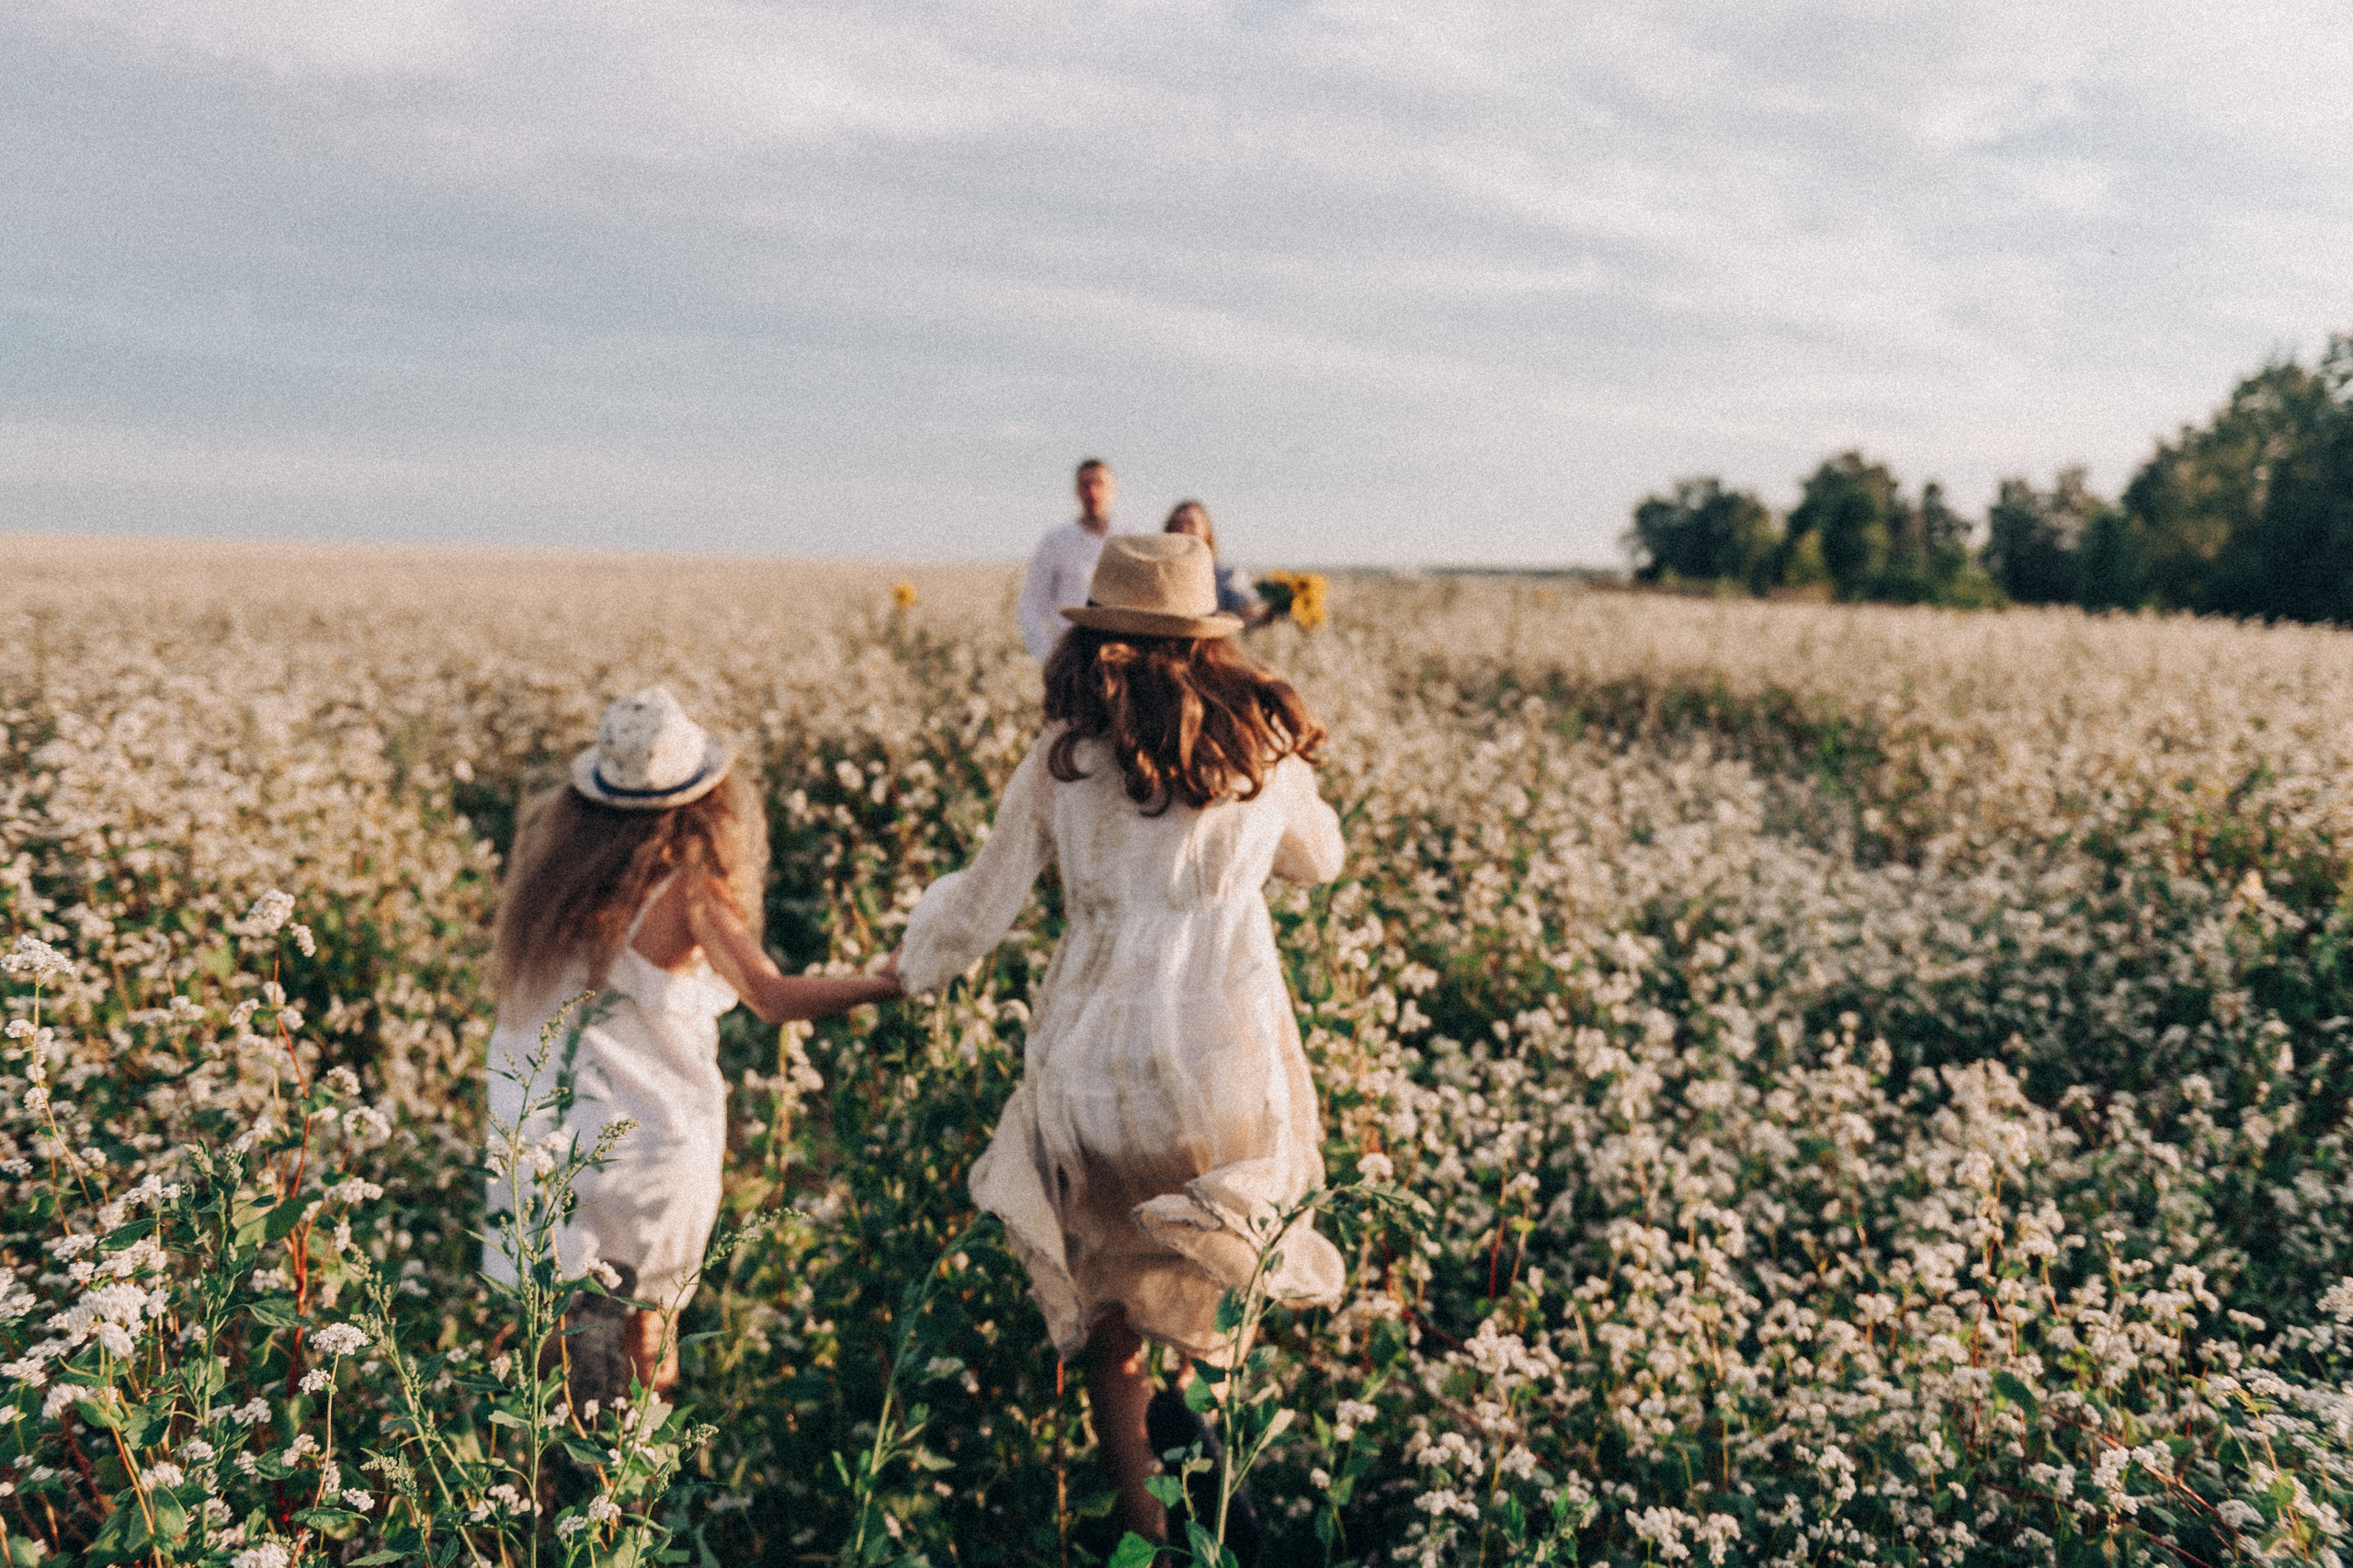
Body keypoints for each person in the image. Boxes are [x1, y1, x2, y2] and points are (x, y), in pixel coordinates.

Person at [894, 534, 1346, 1550]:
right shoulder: (1259, 747)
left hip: (1094, 1072)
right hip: (1223, 1061)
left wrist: (910, 966)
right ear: (1211, 640)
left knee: (1106, 1313)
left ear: (1093, 638)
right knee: (1218, 1254)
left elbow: (981, 901)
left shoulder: (1067, 754)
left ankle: (1143, 1523)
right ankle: (1206, 1484)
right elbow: (1321, 862)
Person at [485, 687, 900, 1400]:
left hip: (550, 1136)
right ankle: (633, 1483)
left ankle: (556, 1477)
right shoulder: (689, 891)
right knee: (650, 1330)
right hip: (650, 1144)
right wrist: (888, 982)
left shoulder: (554, 883)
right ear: (700, 795)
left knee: (557, 1337)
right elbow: (770, 998)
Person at [1017, 458, 1121, 661]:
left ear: (1114, 490)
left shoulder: (1127, 539)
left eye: (1099, 484)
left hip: (1118, 662)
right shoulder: (1057, 540)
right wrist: (1048, 659)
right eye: (1085, 485)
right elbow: (1031, 605)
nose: (1092, 492)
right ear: (1077, 491)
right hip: (1071, 658)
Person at [1163, 499, 1270, 626]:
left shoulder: (1225, 575)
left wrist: (1263, 612)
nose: (1183, 530)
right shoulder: (1158, 573)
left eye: (1190, 523)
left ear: (1206, 530)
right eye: (1176, 524)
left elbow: (1245, 606)